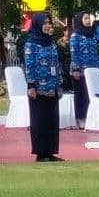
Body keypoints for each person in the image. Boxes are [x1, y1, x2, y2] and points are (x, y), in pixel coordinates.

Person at [24, 13, 64, 163]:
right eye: (45, 23)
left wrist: (59, 84)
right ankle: (41, 153)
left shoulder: (51, 43)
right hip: (38, 88)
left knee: (52, 120)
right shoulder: (31, 43)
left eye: (50, 23)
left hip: (52, 86)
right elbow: (29, 65)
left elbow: (57, 64)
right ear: (38, 25)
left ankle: (51, 151)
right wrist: (31, 85)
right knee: (40, 120)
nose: (48, 26)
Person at [68, 13, 99, 127]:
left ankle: (91, 117)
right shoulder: (75, 36)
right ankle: (81, 118)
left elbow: (95, 53)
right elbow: (74, 53)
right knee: (81, 95)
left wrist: (98, 68)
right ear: (79, 20)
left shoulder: (91, 35)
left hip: (93, 71)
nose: (88, 20)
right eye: (85, 18)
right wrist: (76, 69)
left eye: (88, 18)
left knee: (90, 95)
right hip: (80, 72)